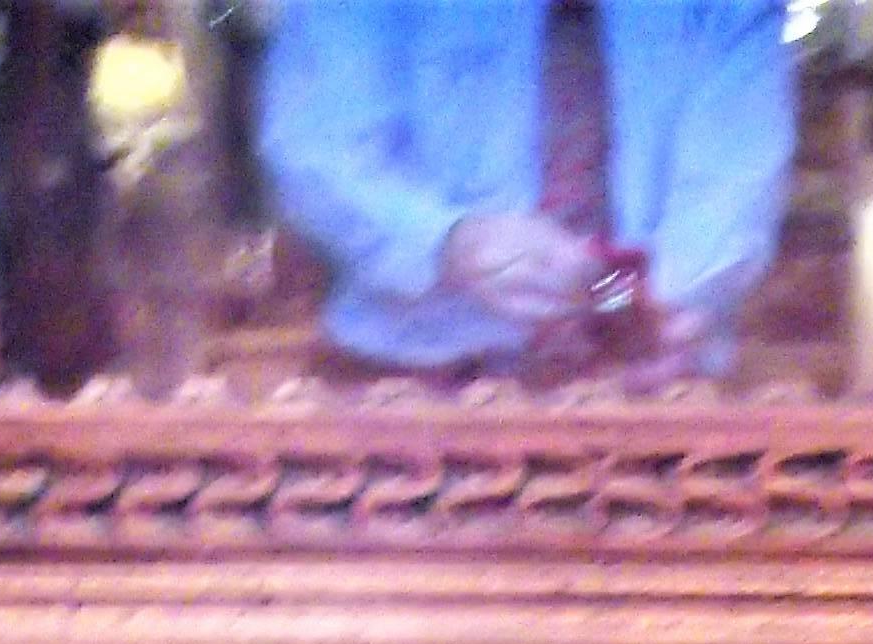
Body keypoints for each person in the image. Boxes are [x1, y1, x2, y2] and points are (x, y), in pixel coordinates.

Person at [259, 0, 795, 377]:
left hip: (661, 388)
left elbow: (736, 167)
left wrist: (673, 302)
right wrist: (450, 242)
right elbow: (316, 150)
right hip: (412, 388)